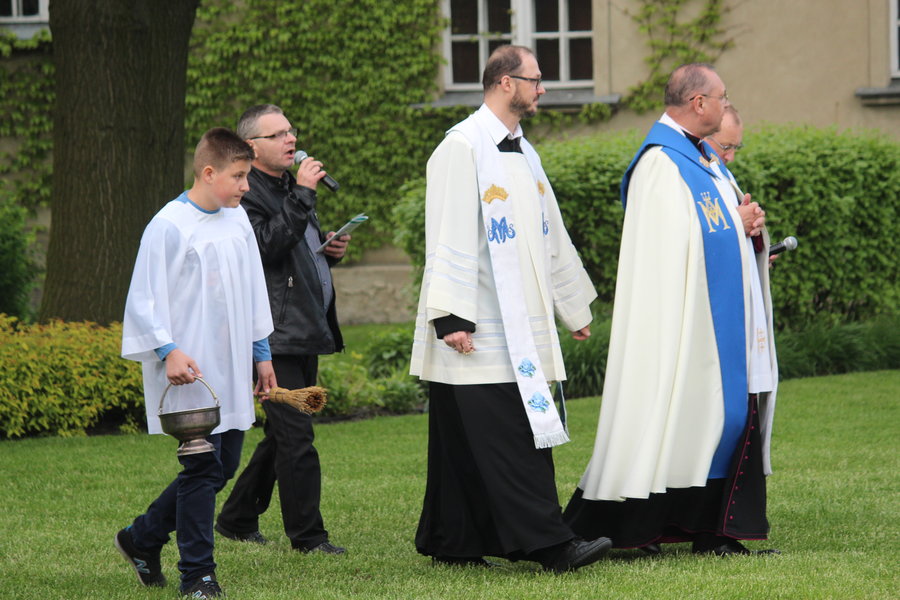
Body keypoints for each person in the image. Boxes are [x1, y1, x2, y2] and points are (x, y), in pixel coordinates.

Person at [563, 63, 780, 556]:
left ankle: (713, 531)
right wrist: (734, 221)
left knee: (718, 421)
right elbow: (667, 246)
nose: (727, 106)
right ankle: (637, 529)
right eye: (722, 98)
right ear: (698, 103)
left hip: (712, 322)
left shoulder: (704, 161)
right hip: (681, 326)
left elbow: (723, 225)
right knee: (681, 419)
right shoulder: (661, 163)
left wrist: (749, 225)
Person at [409, 45, 611, 572]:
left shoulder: (524, 150)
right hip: (479, 326)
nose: (542, 88)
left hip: (520, 321)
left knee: (460, 439)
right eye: (535, 79)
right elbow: (447, 232)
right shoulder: (461, 146)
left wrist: (573, 306)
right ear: (504, 82)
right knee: (515, 434)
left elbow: (551, 234)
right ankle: (550, 544)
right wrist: (451, 317)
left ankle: (453, 539)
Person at [116, 127, 276, 599]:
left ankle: (141, 538)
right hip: (189, 366)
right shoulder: (168, 225)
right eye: (239, 176)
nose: (247, 186)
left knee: (222, 465)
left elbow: (252, 289)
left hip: (230, 360)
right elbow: (143, 299)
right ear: (209, 173)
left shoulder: (237, 217)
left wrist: (261, 353)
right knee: (203, 467)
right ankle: (197, 575)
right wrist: (167, 350)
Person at [214, 104, 348, 555]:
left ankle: (236, 517)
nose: (291, 139)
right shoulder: (245, 195)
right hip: (274, 335)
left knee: (283, 433)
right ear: (252, 147)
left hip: (302, 328)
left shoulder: (290, 188)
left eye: (292, 130)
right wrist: (304, 196)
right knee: (296, 437)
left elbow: (290, 247)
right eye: (279, 134)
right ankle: (309, 539)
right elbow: (265, 246)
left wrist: (326, 249)